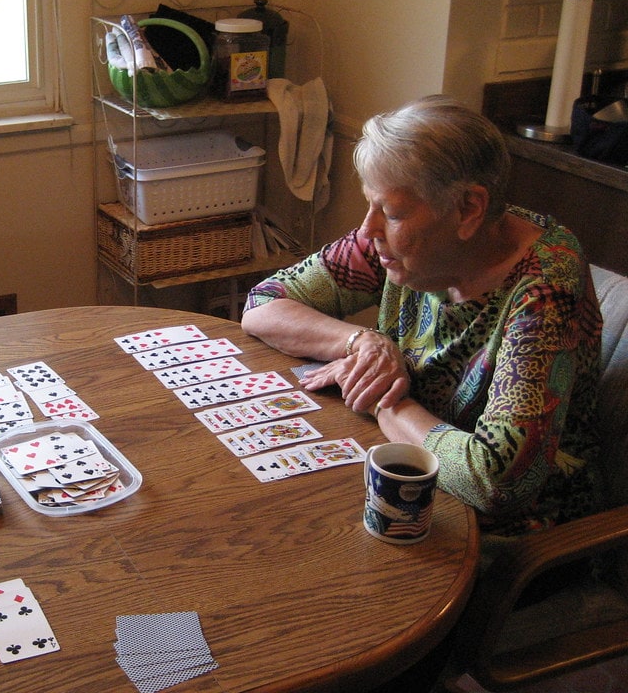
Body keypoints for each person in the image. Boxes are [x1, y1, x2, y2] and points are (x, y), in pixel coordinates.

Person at [241, 95, 603, 540]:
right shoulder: (393, 245)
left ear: (468, 209)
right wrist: (364, 344)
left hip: (503, 540)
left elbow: (497, 482)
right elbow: (263, 304)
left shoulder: (544, 290)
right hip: (402, 476)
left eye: (391, 212)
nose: (368, 229)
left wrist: (383, 398)